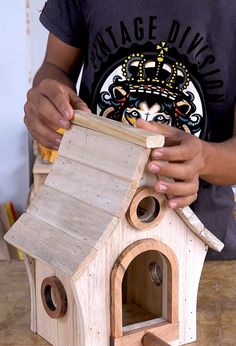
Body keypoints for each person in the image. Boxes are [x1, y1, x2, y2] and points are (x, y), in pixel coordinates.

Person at [24, 0, 236, 259]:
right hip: (90, 225)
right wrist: (49, 100)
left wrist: (203, 159)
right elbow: (55, 67)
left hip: (200, 242)